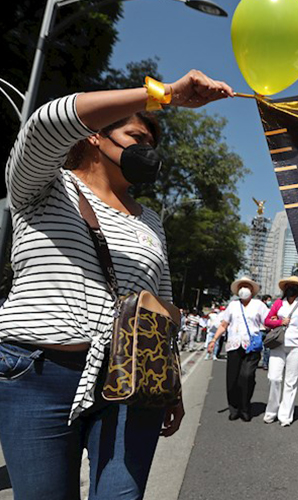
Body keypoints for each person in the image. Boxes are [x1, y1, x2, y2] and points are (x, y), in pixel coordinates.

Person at [0, 69, 233, 499]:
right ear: (93, 136)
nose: (146, 149)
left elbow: (163, 311)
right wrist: (162, 96)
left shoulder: (152, 223)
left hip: (132, 380)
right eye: (134, 136)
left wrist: (170, 383)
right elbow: (45, 122)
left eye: (151, 143)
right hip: (37, 374)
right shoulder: (43, 187)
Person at [207, 277, 268, 422]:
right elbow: (224, 324)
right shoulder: (233, 305)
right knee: (233, 378)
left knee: (247, 376)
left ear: (252, 290)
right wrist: (214, 340)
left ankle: (245, 407)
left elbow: (268, 321)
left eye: (247, 286)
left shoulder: (259, 305)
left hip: (252, 346)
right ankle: (234, 408)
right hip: (234, 345)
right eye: (241, 286)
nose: (244, 289)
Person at [263, 276, 298, 426]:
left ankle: (285, 416)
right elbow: (267, 321)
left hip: (296, 347)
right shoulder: (279, 303)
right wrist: (280, 322)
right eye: (288, 285)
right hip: (278, 344)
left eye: (294, 285)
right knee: (274, 378)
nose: (291, 288)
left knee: (291, 382)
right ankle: (271, 411)